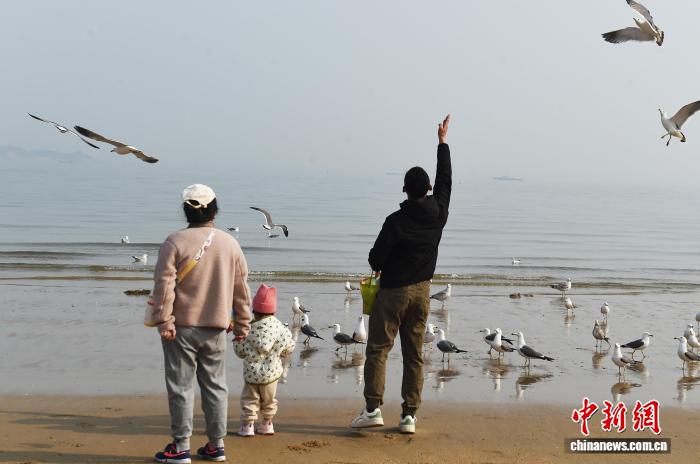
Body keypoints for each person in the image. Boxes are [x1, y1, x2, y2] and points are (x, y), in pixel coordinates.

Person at [351, 114, 452, 434]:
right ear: (429, 189)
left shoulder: (394, 221)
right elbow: (446, 180)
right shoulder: (439, 213)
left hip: (392, 292)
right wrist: (443, 143)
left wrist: (382, 262)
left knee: (378, 350)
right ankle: (409, 416)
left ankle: (372, 410)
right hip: (422, 293)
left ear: (405, 190)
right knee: (414, 354)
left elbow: (375, 259)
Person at [151, 184, 252, 463]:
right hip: (217, 327)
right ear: (214, 210)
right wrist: (242, 324)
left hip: (180, 328)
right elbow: (241, 289)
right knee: (215, 386)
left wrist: (164, 320)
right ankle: (216, 445)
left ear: (186, 211)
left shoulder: (174, 241)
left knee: (180, 387)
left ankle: (181, 446)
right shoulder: (230, 243)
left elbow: (163, 286)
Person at [234, 283, 295, 437]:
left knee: (249, 400)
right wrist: (282, 353)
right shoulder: (280, 328)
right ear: (273, 310)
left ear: (254, 311)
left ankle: (248, 426)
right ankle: (267, 424)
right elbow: (289, 347)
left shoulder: (247, 329)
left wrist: (237, 339)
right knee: (269, 400)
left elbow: (240, 352)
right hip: (271, 373)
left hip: (252, 373)